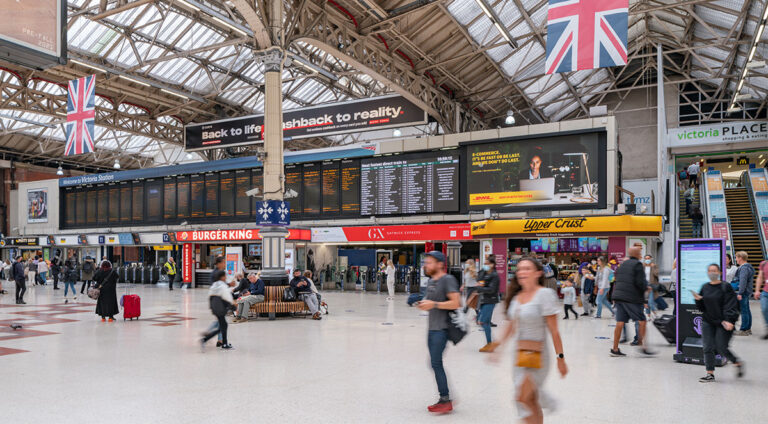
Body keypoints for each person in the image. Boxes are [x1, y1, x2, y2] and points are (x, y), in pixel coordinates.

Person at [493, 257, 567, 424]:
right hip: (519, 356)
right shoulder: (516, 297)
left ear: (538, 273)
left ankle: (548, 403)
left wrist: (560, 359)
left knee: (521, 397)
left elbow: (554, 331)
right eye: (519, 269)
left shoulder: (545, 295)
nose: (522, 272)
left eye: (527, 268)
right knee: (530, 400)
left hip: (538, 356)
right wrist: (498, 346)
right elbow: (511, 326)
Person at [416, 251, 460, 414]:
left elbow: (456, 303)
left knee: (435, 363)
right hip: (431, 328)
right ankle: (447, 396)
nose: (426, 265)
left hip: (441, 330)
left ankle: (445, 399)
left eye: (430, 262)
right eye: (425, 262)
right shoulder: (431, 281)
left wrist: (433, 304)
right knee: (434, 363)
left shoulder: (447, 279)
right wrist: (423, 303)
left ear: (440, 264)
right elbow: (432, 302)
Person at [694, 264, 744, 382]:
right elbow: (702, 307)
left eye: (714, 270)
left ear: (720, 273)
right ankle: (710, 373)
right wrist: (698, 300)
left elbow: (731, 305)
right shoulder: (705, 287)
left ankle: (737, 362)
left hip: (724, 322)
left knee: (721, 347)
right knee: (707, 347)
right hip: (708, 321)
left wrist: (729, 320)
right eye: (710, 271)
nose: (712, 273)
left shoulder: (725, 287)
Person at [610, 245, 654, 356]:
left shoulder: (622, 264)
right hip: (631, 298)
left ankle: (615, 349)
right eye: (640, 253)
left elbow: (618, 279)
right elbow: (640, 282)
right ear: (638, 255)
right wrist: (646, 288)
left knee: (620, 322)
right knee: (642, 321)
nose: (641, 255)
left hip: (619, 296)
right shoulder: (638, 265)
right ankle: (642, 345)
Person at [200, 269, 235, 350]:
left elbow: (210, 295)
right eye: (225, 276)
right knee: (223, 326)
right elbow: (227, 296)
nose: (226, 277)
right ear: (222, 277)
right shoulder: (222, 285)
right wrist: (233, 306)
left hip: (215, 307)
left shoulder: (214, 284)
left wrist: (211, 307)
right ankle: (206, 340)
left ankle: (222, 343)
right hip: (220, 307)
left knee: (223, 325)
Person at [476, 256, 500, 352]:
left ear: (492, 265)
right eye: (484, 264)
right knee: (482, 321)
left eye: (487, 264)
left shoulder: (495, 276)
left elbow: (491, 290)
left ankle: (490, 344)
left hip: (490, 300)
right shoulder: (486, 274)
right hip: (484, 300)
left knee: (483, 322)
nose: (485, 265)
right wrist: (483, 270)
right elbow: (479, 279)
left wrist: (479, 288)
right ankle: (492, 342)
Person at [733, 251, 754, 336]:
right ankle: (748, 328)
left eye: (737, 257)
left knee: (744, 311)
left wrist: (740, 293)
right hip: (746, 291)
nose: (736, 259)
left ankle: (744, 330)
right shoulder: (748, 267)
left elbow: (743, 281)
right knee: (747, 310)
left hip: (743, 292)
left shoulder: (744, 268)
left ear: (740, 258)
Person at [754, 258, 768, 340]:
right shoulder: (763, 264)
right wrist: (757, 290)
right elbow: (760, 277)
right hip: (765, 292)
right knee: (764, 309)